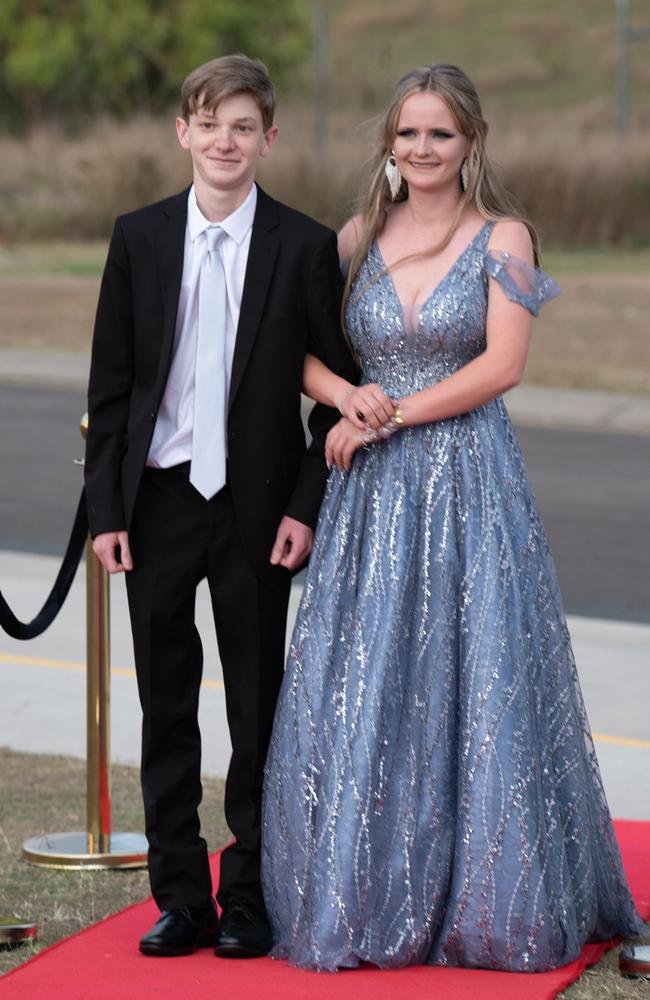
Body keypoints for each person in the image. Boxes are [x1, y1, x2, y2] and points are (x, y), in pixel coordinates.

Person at [261, 64, 645, 972]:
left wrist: (388, 412)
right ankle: (368, 887)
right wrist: (349, 397)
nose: (422, 150)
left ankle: (487, 894)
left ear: (471, 140)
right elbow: (296, 350)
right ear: (388, 143)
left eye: (439, 134)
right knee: (374, 681)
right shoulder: (358, 233)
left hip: (467, 482)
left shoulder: (506, 235)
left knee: (473, 675)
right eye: (407, 134)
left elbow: (501, 366)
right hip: (369, 495)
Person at [84, 54, 370, 959]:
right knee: (166, 705)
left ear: (268, 138)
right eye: (209, 122)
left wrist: (305, 503)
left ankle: (247, 894)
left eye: (243, 126)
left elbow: (336, 391)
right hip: (160, 500)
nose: (224, 140)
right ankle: (181, 894)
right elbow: (113, 386)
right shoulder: (137, 237)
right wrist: (105, 512)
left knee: (259, 709)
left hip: (255, 512)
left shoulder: (302, 245)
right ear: (183, 131)